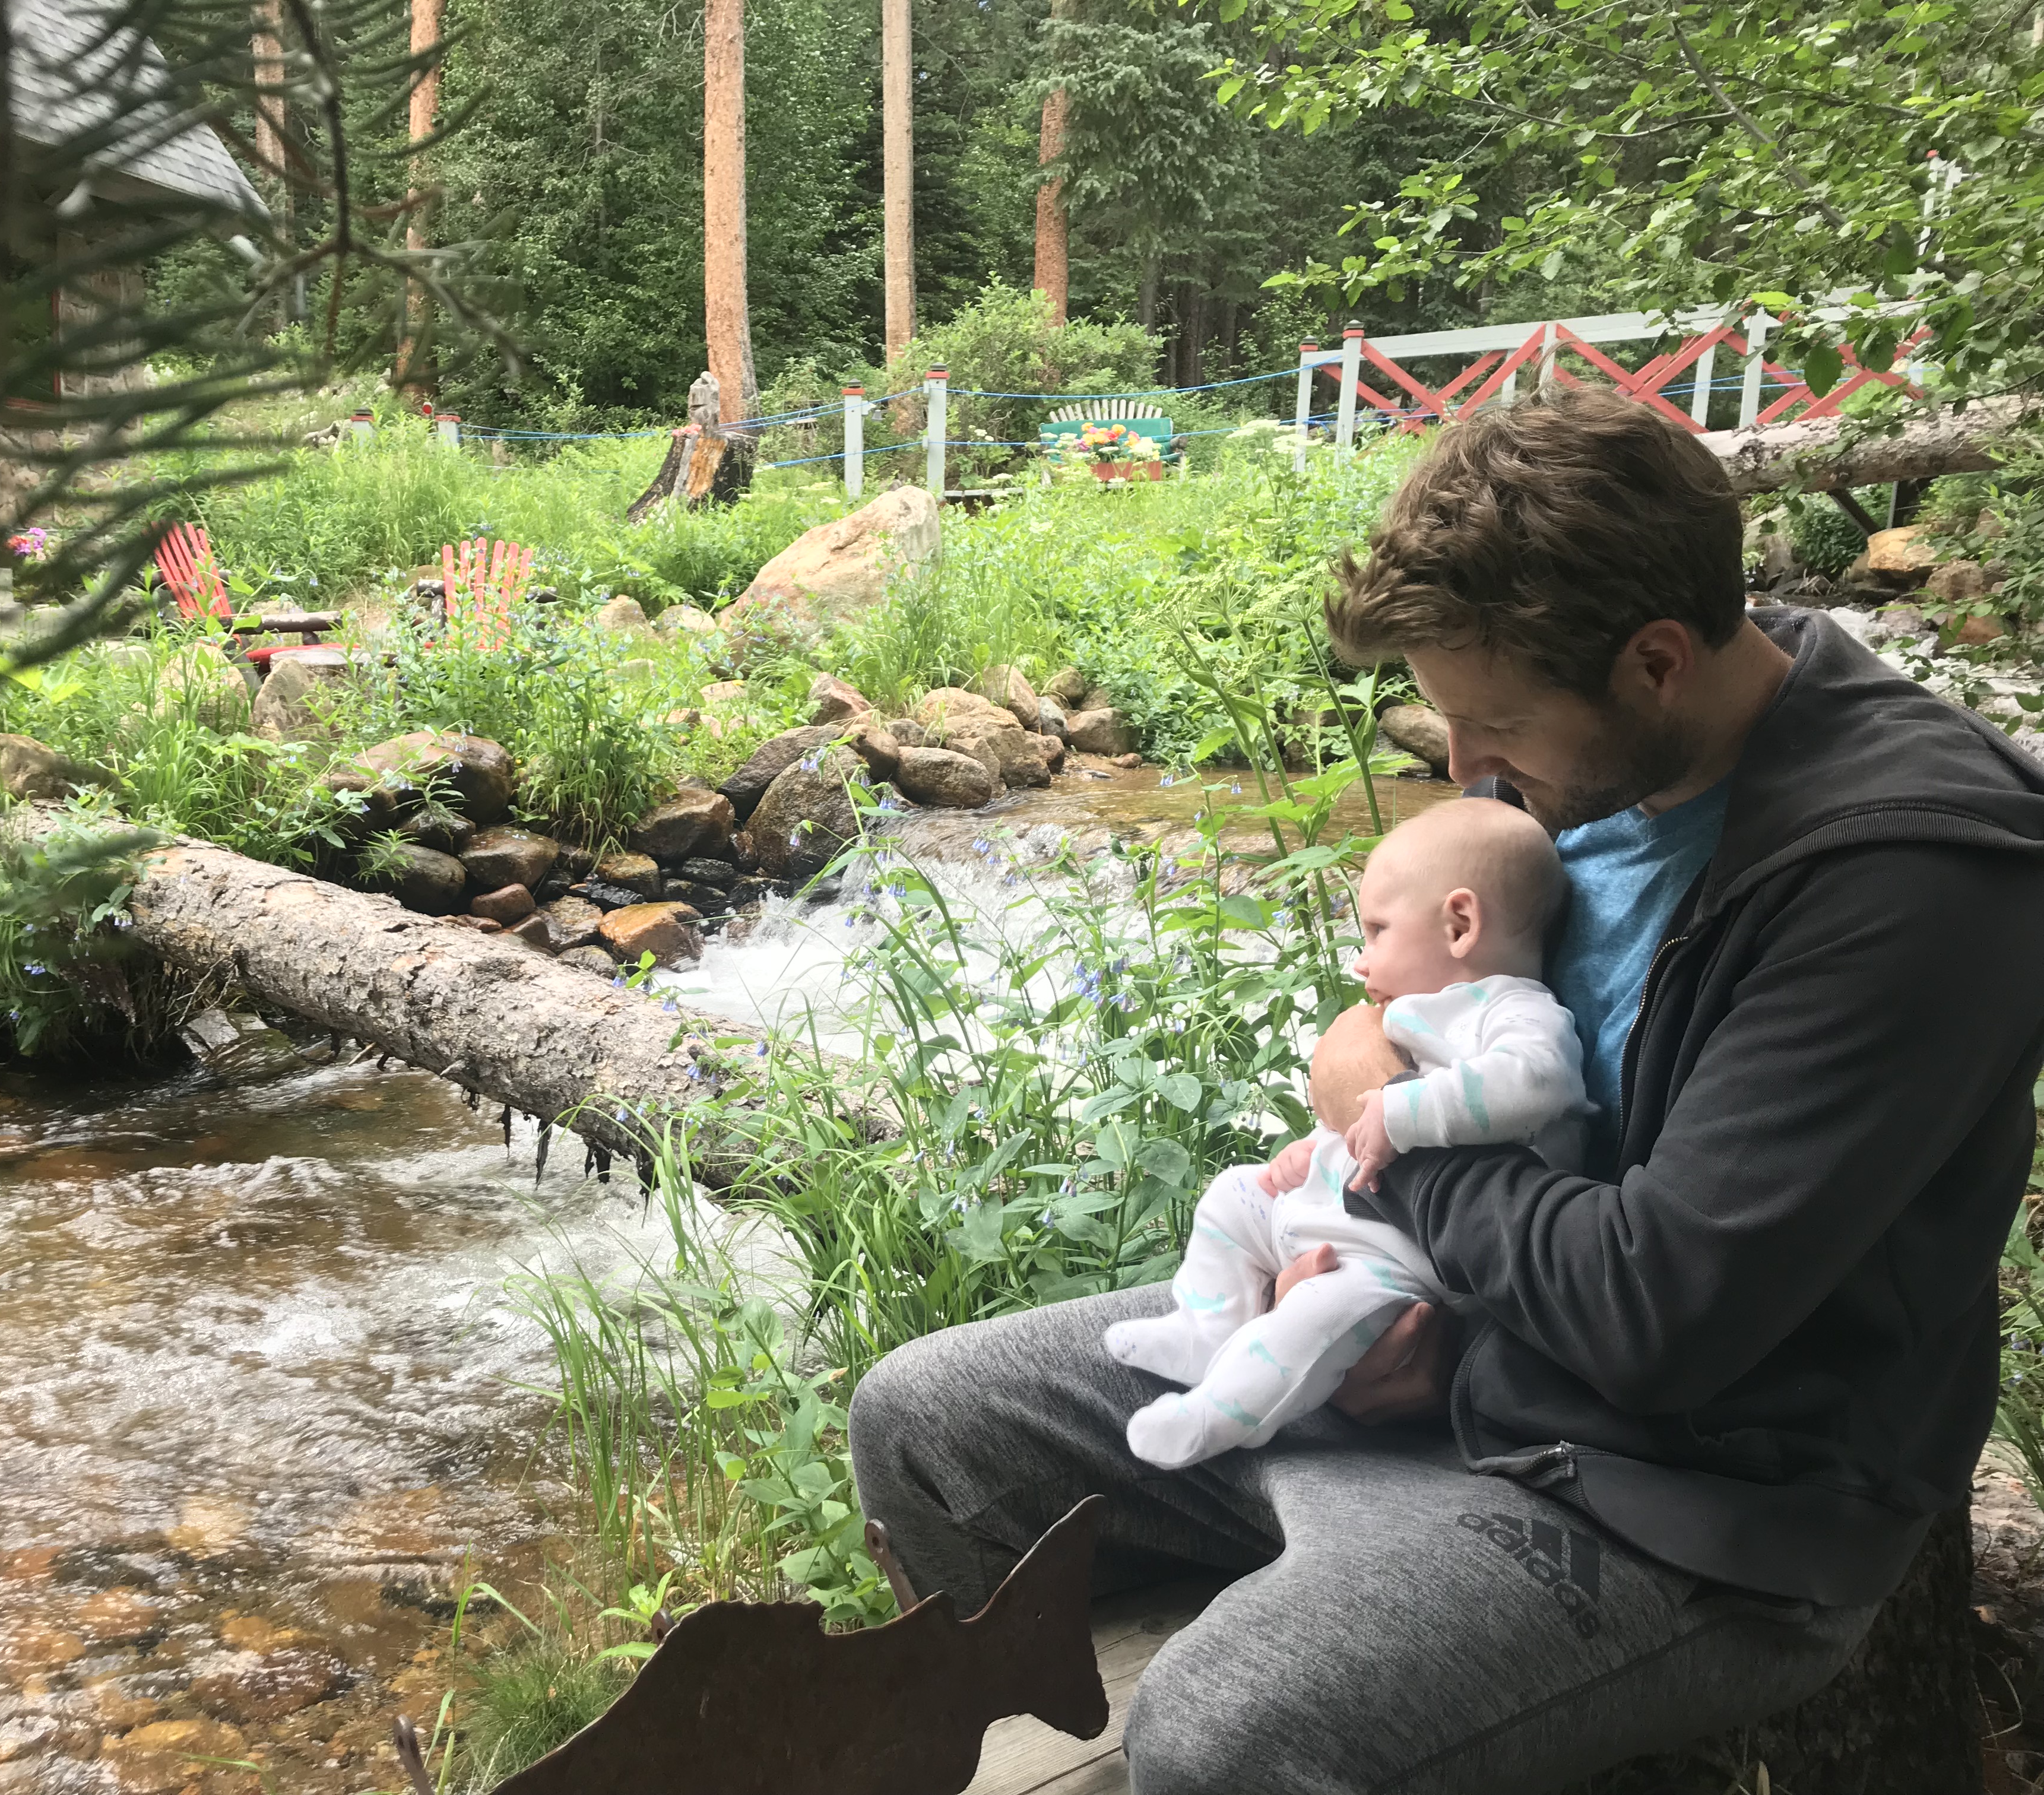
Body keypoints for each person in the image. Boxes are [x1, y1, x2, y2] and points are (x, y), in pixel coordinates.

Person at [847, 387, 2044, 1793]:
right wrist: (1401, 1276)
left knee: (1231, 1734)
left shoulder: (1909, 880)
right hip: (1440, 1348)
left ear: (1658, 661)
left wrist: (1396, 1148)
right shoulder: (1614, 762)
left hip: (1691, 1495)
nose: (1467, 777)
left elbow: (1663, 1314)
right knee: (925, 1424)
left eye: (1495, 729)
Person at [1106, 799, 1590, 1470]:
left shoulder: (1514, 1011)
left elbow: (1537, 1084)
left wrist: (1400, 1109)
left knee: (1310, 1320)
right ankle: (1204, 1328)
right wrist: (1317, 1149)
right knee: (1233, 1194)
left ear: (1460, 924)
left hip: (1397, 1263)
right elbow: (1364, 1127)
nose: (1362, 963)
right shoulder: (1415, 1009)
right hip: (1341, 1211)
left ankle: (1219, 1414)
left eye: (1378, 932)